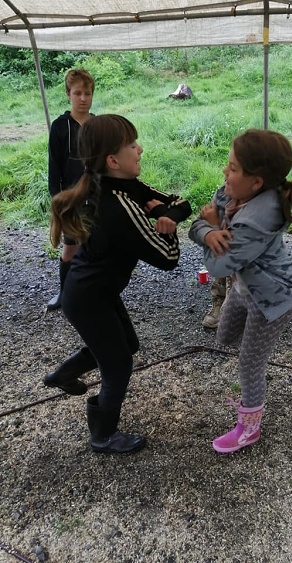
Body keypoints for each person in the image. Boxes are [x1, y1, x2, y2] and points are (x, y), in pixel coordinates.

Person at [44, 114, 192, 454]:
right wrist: (166, 226)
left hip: (92, 292)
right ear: (113, 160)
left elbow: (179, 203)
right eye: (132, 145)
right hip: (88, 299)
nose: (140, 150)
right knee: (118, 364)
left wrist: (166, 213)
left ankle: (62, 375)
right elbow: (167, 258)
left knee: (127, 344)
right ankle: (103, 435)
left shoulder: (122, 185)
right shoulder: (120, 208)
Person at [189, 128, 292, 454]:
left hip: (272, 299)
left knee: (249, 364)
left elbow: (218, 266)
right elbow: (213, 210)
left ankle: (249, 429)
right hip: (246, 287)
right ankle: (256, 357)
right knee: (224, 337)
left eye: (232, 168)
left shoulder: (256, 220)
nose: (224, 172)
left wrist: (208, 229)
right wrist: (209, 230)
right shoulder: (238, 192)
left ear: (256, 182)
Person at [46, 68, 95, 310]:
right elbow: (54, 168)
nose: (83, 98)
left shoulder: (98, 125)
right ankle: (64, 294)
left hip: (96, 197)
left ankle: (93, 293)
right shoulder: (59, 126)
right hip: (70, 199)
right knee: (70, 249)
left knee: (95, 247)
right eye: (78, 93)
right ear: (68, 94)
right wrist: (58, 200)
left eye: (87, 93)